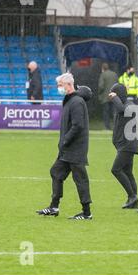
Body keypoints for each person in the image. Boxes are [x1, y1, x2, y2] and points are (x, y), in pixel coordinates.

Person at [36, 73, 93, 220]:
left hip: (75, 149)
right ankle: (54, 207)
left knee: (80, 179)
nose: (58, 88)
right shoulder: (70, 101)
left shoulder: (76, 102)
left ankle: (87, 213)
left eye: (60, 85)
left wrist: (65, 140)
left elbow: (78, 125)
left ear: (69, 85)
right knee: (56, 172)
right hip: (68, 150)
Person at [108, 83, 138, 209]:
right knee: (128, 172)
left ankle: (132, 196)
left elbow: (122, 110)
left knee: (116, 170)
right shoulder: (123, 105)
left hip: (127, 145)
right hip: (124, 144)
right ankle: (133, 202)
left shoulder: (129, 105)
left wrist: (115, 97)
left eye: (113, 93)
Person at [98, 63, 118, 130]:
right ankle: (115, 126)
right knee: (114, 112)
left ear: (102, 68)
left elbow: (101, 86)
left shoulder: (103, 75)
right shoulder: (114, 74)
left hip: (105, 97)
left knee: (106, 113)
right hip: (114, 96)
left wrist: (99, 94)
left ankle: (107, 127)